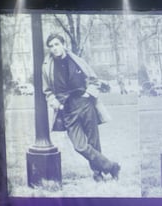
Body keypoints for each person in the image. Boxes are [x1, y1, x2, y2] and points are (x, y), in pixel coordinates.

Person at [42, 33, 120, 182]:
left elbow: (94, 80)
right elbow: (47, 90)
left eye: (57, 44)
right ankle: (111, 166)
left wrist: (88, 94)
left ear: (64, 44)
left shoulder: (77, 60)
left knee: (93, 141)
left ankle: (98, 174)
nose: (54, 48)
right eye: (51, 46)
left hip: (84, 103)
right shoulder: (47, 66)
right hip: (67, 109)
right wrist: (54, 101)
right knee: (79, 146)